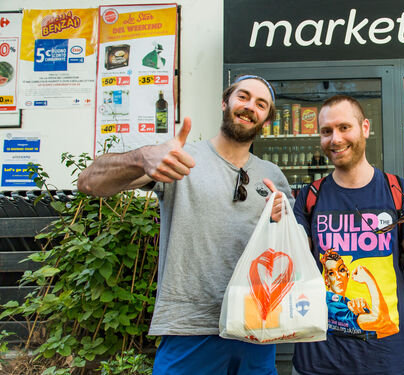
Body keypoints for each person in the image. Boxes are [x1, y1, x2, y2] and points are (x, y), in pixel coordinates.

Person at [77, 75, 294, 375]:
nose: (249, 107)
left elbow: (292, 250)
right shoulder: (181, 158)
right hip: (189, 328)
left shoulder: (274, 176)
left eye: (260, 104)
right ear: (225, 101)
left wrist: (285, 223)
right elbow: (89, 183)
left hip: (256, 326)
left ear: (266, 120)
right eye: (243, 97)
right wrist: (142, 158)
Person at [291, 95, 404, 375]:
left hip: (388, 359)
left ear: (365, 128)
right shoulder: (310, 197)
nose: (335, 139)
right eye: (326, 131)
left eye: (344, 127)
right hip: (317, 361)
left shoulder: (398, 189)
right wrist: (278, 226)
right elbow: (294, 269)